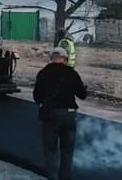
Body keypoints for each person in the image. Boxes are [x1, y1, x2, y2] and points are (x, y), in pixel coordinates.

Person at [33, 47, 87, 180]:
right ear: (64, 58)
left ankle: (53, 177)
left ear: (52, 58)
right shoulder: (72, 73)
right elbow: (82, 95)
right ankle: (65, 177)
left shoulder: (43, 73)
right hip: (69, 115)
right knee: (67, 151)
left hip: (51, 115)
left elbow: (36, 96)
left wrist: (43, 102)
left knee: (50, 150)